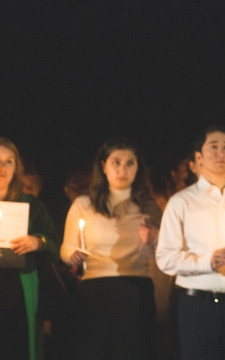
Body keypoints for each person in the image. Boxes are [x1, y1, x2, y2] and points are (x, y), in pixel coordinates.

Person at [156, 126, 225, 360]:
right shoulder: (181, 203)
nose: (221, 153)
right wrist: (208, 262)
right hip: (197, 304)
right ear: (198, 157)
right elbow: (166, 258)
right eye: (214, 147)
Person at [60, 137, 161, 359]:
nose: (122, 169)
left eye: (129, 163)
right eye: (116, 162)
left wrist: (154, 238)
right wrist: (73, 255)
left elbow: (160, 253)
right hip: (95, 289)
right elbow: (67, 247)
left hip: (135, 289)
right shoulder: (84, 204)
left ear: (138, 167)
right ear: (103, 165)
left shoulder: (148, 206)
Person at [0, 138, 60, 360]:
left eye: (9, 161)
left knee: (19, 345)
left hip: (19, 286)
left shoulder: (32, 205)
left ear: (17, 168)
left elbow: (55, 245)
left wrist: (38, 242)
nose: (2, 168)